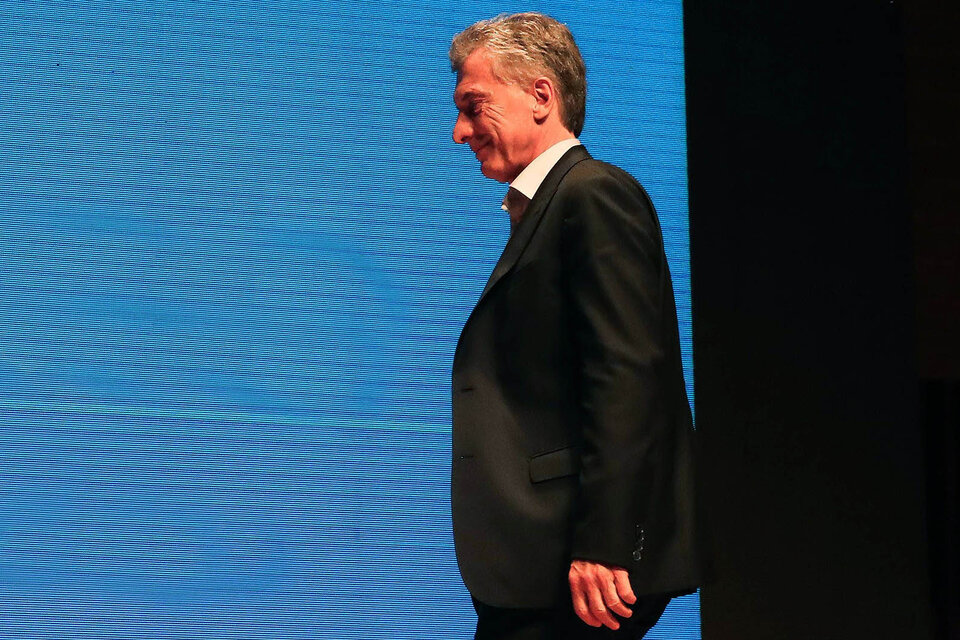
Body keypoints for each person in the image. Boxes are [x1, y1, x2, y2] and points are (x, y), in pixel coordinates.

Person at [449, 12, 702, 640]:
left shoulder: (592, 194)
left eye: (474, 106)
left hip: (579, 566)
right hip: (541, 565)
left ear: (541, 96)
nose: (460, 132)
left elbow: (628, 379)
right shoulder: (553, 204)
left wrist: (606, 543)